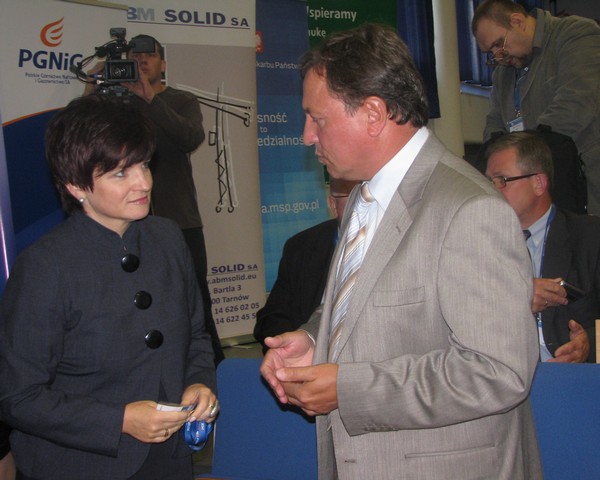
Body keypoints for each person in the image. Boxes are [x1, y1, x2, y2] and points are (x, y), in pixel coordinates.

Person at [260, 24, 542, 479]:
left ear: (373, 113)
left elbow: (498, 371)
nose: (307, 135)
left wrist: (348, 389)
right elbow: (359, 304)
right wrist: (313, 339)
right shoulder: (363, 195)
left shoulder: (469, 210)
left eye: (318, 119)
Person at [0, 94, 218, 480]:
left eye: (144, 165)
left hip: (169, 458)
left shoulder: (167, 238)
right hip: (80, 465)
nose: (144, 183)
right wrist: (119, 420)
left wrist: (198, 383)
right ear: (75, 185)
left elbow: (197, 336)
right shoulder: (45, 267)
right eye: (120, 173)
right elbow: (18, 396)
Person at [84, 34, 225, 365]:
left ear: (163, 64)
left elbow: (190, 137)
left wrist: (149, 98)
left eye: (150, 55)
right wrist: (93, 87)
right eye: (135, 56)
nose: (142, 60)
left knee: (195, 299)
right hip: (125, 224)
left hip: (180, 220)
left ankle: (213, 371)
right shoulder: (116, 104)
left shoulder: (180, 100)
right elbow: (82, 137)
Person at [472, 0, 600, 239]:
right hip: (553, 197)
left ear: (517, 22)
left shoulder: (578, 35)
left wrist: (518, 157)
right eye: (491, 53)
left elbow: (573, 107)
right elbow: (494, 124)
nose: (498, 56)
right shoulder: (504, 74)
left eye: (499, 44)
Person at [484, 132, 600, 363]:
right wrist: (515, 298)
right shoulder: (477, 242)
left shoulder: (593, 237)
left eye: (502, 180)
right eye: (488, 182)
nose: (491, 190)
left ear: (538, 183)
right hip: (500, 370)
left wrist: (589, 344)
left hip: (570, 373)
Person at [253, 177, 357, 352]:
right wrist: (287, 345)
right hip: (308, 354)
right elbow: (274, 316)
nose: (362, 204)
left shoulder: (395, 244)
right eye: (352, 196)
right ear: (333, 205)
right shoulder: (302, 246)